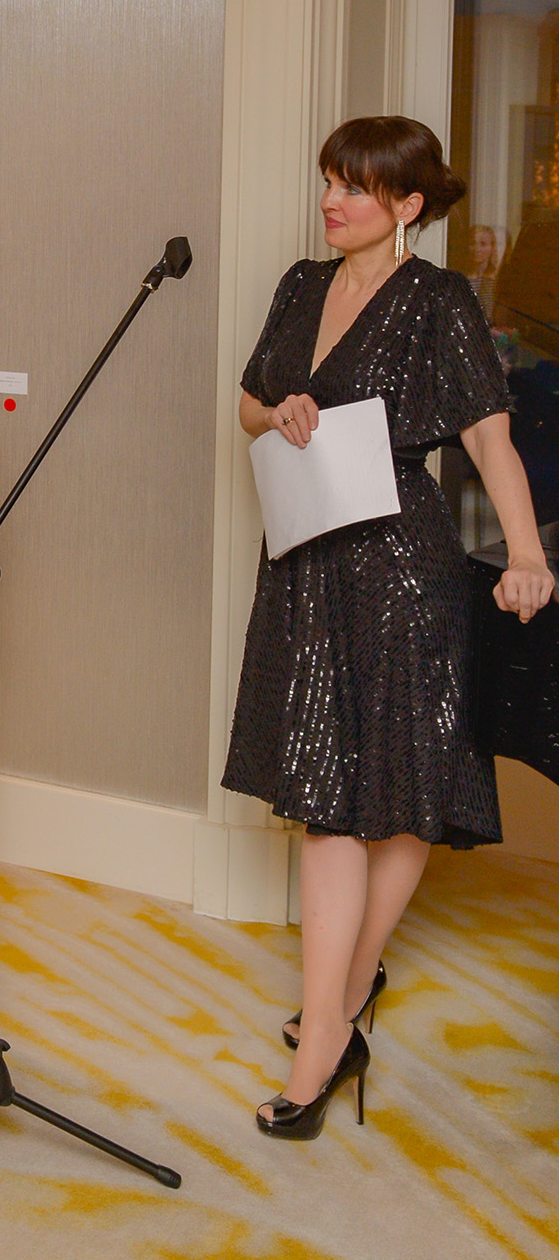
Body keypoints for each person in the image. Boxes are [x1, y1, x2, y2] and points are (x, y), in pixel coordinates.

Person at [223, 116, 553, 1141]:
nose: (331, 200)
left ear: (406, 205)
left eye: (354, 186)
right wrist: (277, 410)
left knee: (403, 792)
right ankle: (340, 1005)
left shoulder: (439, 299)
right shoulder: (298, 284)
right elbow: (246, 404)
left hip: (403, 568)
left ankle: (331, 1014)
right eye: (328, 180)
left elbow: (489, 439)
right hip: (304, 563)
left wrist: (527, 553)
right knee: (324, 793)